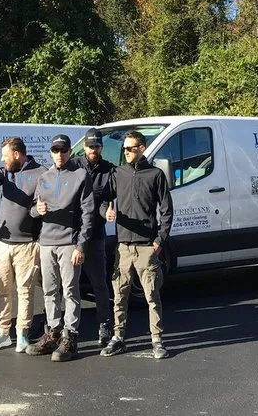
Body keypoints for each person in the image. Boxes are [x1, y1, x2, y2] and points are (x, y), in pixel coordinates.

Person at [101, 130, 174, 359]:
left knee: (152, 295)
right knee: (120, 294)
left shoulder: (156, 175)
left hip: (146, 247)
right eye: (124, 149)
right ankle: (118, 337)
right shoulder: (118, 173)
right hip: (123, 246)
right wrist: (106, 211)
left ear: (141, 148)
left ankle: (157, 340)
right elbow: (104, 200)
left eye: (130, 148)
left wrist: (159, 241)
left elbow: (167, 211)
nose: (126, 152)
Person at [25, 134, 94, 362]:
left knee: (71, 291)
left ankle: (70, 337)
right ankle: (52, 333)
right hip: (46, 242)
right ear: (51, 152)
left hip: (69, 243)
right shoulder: (44, 177)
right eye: (55, 150)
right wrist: (38, 210)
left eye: (63, 150)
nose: (60, 154)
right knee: (49, 291)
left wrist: (80, 246)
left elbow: (88, 214)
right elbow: (33, 210)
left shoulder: (80, 175)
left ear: (69, 152)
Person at [0, 137, 45, 353]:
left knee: (25, 292)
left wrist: (35, 210)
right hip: (3, 244)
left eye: (5, 156)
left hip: (27, 244)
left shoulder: (41, 173)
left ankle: (22, 335)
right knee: (2, 290)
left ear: (16, 154)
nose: (3, 161)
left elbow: (38, 207)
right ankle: (3, 333)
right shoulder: (6, 172)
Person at [73, 127, 116, 345]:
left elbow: (106, 201)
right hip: (70, 237)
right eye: (90, 146)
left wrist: (107, 210)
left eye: (97, 146)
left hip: (95, 236)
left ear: (102, 147)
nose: (93, 149)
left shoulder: (109, 170)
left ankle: (105, 324)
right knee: (65, 285)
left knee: (100, 283)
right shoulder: (73, 166)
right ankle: (61, 327)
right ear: (84, 146)